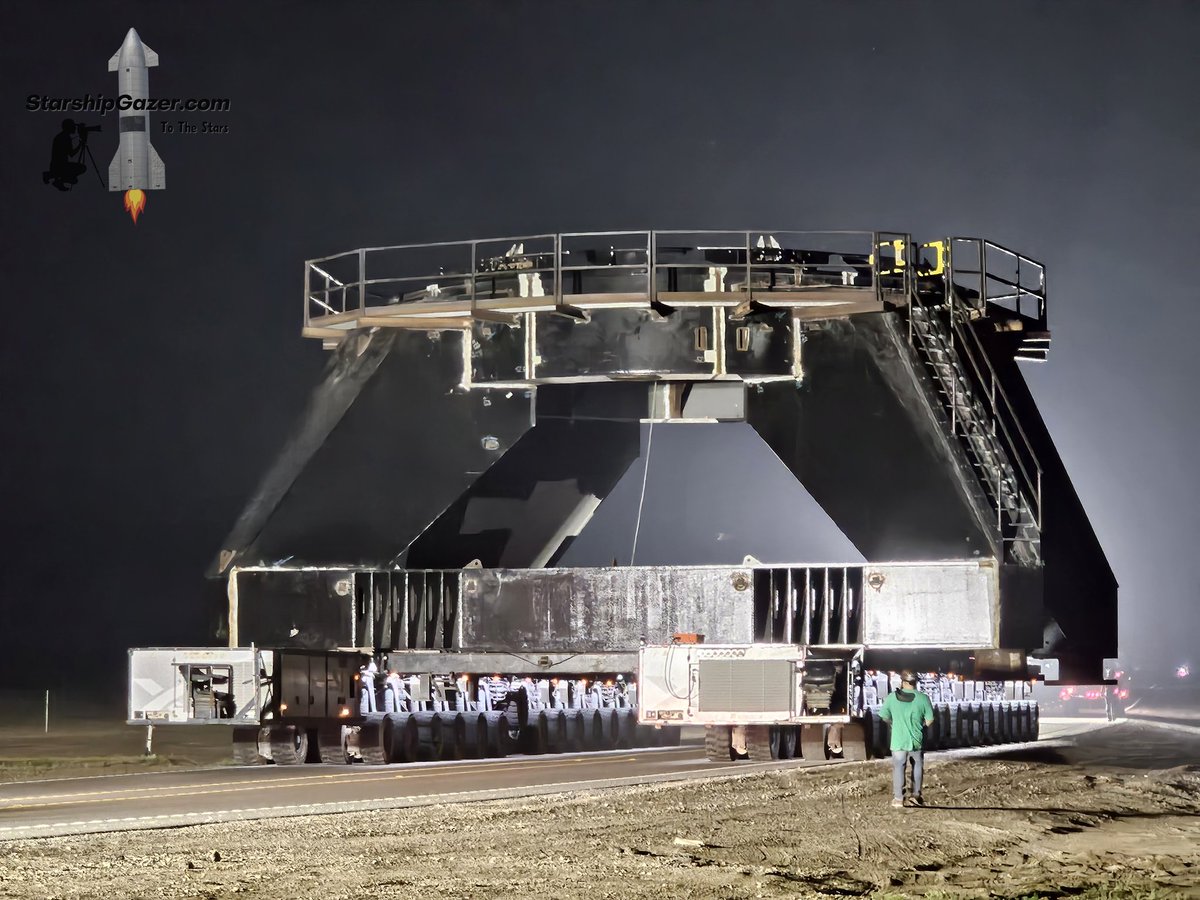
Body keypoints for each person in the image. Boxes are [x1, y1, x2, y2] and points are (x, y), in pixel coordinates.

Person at [878, 670, 935, 808]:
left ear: (902, 682)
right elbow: (930, 720)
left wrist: (894, 723)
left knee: (898, 767)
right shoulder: (923, 698)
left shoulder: (892, 698)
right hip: (916, 740)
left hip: (898, 739)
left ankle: (898, 799)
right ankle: (916, 796)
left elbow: (884, 716)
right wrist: (920, 726)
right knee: (917, 766)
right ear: (915, 682)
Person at [43, 119, 88, 191]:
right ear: (69, 127)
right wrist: (80, 144)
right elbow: (72, 154)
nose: (75, 128)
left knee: (73, 179)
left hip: (56, 165)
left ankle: (50, 175)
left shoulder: (61, 136)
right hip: (60, 166)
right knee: (81, 169)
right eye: (73, 126)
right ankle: (57, 180)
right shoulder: (65, 137)